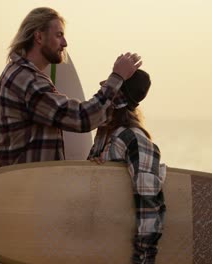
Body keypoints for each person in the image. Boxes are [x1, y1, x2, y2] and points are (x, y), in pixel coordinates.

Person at [0, 7, 142, 167]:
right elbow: (82, 118)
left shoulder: (18, 72)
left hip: (23, 184)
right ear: (39, 36)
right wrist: (117, 77)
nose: (65, 43)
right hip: (24, 187)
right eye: (59, 35)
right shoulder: (27, 80)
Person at [88, 69, 166, 264]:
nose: (101, 89)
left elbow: (149, 207)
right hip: (100, 246)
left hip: (127, 254)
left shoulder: (134, 139)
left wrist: (142, 259)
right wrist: (93, 171)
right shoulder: (104, 135)